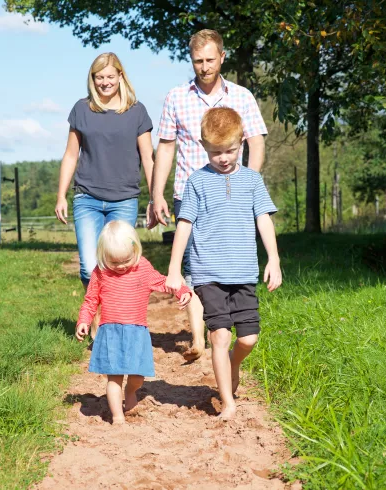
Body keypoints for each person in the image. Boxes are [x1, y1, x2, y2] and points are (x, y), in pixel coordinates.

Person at [150, 29, 268, 361]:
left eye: (210, 60)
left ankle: (221, 327)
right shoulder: (176, 97)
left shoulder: (242, 96)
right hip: (189, 192)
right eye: (198, 61)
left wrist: (251, 185)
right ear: (192, 61)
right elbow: (166, 147)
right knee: (195, 264)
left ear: (222, 58)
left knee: (228, 260)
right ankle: (199, 338)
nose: (204, 67)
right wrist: (156, 193)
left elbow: (256, 141)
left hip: (233, 194)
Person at [165, 108, 281, 420]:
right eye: (216, 152)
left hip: (243, 272)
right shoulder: (197, 182)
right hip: (208, 273)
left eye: (230, 150)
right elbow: (185, 225)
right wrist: (175, 269)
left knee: (248, 339)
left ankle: (233, 364)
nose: (224, 158)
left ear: (241, 143)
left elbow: (263, 220)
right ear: (204, 147)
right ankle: (227, 402)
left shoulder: (252, 181)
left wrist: (274, 259)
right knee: (220, 335)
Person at [55, 52, 155, 290]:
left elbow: (149, 159)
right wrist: (61, 195)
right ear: (92, 78)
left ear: (121, 76)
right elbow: (71, 154)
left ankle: (115, 318)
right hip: (86, 199)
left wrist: (154, 198)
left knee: (119, 264)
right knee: (89, 267)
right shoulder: (81, 109)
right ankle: (96, 322)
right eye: (99, 77)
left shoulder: (137, 111)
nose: (105, 82)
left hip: (124, 200)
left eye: (110, 76)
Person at [76, 220, 192, 424]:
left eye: (126, 261)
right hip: (110, 332)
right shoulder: (100, 272)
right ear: (104, 256)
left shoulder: (143, 267)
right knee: (114, 378)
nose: (120, 266)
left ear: (135, 251)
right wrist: (84, 320)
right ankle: (118, 417)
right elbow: (91, 299)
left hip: (137, 332)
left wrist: (181, 290)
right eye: (114, 262)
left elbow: (163, 282)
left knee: (138, 376)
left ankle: (131, 392)